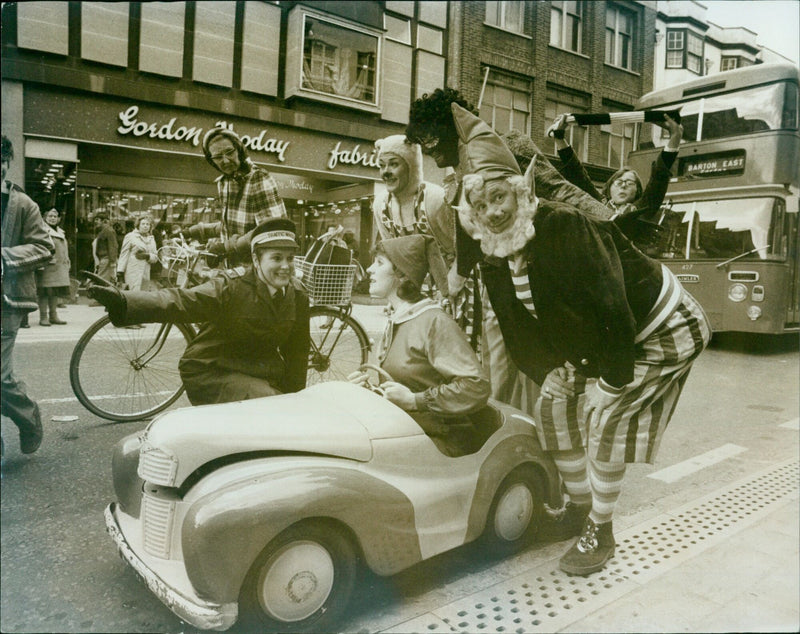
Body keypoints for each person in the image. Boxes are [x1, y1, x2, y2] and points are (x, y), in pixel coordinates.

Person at [454, 106, 711, 575]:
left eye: (499, 196)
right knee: (553, 408)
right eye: (480, 204)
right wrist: (550, 369)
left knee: (605, 419)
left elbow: (611, 305)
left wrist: (608, 382)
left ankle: (602, 528)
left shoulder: (565, 224)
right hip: (605, 339)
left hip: (661, 326)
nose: (492, 212)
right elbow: (517, 328)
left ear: (521, 189)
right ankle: (579, 507)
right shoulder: (492, 254)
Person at [87, 218, 310, 406]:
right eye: (276, 258)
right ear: (255, 259)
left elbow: (297, 352)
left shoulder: (297, 294)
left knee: (286, 411)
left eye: (290, 258)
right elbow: (180, 300)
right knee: (269, 405)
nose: (285, 266)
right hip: (213, 371)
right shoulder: (231, 286)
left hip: (259, 374)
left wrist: (295, 400)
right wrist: (124, 301)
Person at [349, 234, 491, 457]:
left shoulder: (433, 321)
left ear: (402, 275)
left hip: (440, 443)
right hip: (408, 434)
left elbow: (476, 386)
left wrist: (415, 400)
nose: (369, 270)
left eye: (379, 263)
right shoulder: (399, 318)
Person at [548, 112, 683, 244]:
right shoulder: (597, 203)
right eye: (619, 182)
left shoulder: (643, 208)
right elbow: (577, 174)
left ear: (637, 190)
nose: (623, 185)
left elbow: (659, 177)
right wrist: (559, 137)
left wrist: (675, 136)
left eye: (629, 183)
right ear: (609, 187)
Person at [2, 134, 54, 455]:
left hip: (6, 303)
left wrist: (4, 258)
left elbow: (44, 247)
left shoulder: (22, 205)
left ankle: (28, 416)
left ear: (6, 164)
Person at [188, 127, 287, 264]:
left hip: (257, 270)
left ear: (239, 150)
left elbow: (273, 229)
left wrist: (226, 247)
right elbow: (233, 225)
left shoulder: (258, 178)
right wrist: (194, 231)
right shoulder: (224, 182)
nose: (226, 161)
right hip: (234, 271)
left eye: (229, 152)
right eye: (217, 157)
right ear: (211, 161)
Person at [35, 208, 71, 326]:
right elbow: (39, 247)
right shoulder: (42, 231)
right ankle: (43, 317)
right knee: (44, 292)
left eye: (55, 216)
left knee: (54, 291)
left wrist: (67, 260)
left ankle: (53, 315)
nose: (53, 218)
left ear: (59, 218)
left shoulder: (61, 231)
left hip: (59, 266)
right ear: (45, 217)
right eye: (50, 216)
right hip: (47, 266)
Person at [116, 215, 158, 291]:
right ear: (138, 225)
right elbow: (124, 255)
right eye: (143, 224)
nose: (145, 226)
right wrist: (120, 272)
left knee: (143, 296)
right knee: (133, 294)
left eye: (147, 224)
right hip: (132, 271)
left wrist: (148, 256)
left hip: (145, 272)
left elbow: (155, 257)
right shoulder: (130, 236)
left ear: (150, 227)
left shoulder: (151, 239)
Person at [92, 213, 118, 284]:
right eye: (95, 220)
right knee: (102, 280)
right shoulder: (103, 231)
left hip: (107, 259)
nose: (95, 221)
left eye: (97, 219)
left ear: (104, 221)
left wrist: (113, 262)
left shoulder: (109, 231)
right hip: (104, 259)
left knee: (102, 281)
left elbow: (113, 246)